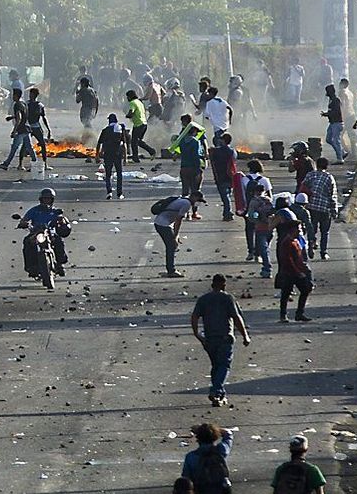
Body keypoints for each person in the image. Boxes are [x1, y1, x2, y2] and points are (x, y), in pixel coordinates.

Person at [191, 275, 251, 407]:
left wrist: (197, 334)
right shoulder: (227, 298)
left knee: (216, 366)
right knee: (224, 365)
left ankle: (219, 395)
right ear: (224, 285)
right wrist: (245, 336)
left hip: (209, 339)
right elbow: (236, 318)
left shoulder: (203, 299)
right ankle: (216, 390)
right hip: (224, 338)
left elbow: (194, 316)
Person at [276, 220, 314, 323]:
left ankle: (299, 313)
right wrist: (298, 272)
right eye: (298, 229)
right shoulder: (287, 242)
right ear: (292, 230)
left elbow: (299, 259)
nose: (300, 231)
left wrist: (304, 270)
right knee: (286, 294)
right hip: (289, 273)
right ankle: (283, 315)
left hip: (296, 272)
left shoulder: (296, 241)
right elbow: (288, 260)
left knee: (305, 290)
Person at [301, 157, 337, 260]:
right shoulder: (329, 178)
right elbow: (332, 195)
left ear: (316, 165)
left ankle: (311, 245)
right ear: (327, 166)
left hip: (311, 206)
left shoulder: (310, 175)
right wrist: (334, 211)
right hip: (324, 208)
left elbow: (302, 188)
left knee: (312, 229)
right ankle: (323, 252)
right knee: (325, 232)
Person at [180, 423, 234, 491]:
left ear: (198, 439)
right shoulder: (221, 450)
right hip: (220, 489)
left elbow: (186, 478)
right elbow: (228, 434)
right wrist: (214, 430)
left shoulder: (191, 457)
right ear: (215, 437)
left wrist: (200, 430)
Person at [0, 88, 36, 171]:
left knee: (14, 147)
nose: (12, 97)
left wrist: (14, 130)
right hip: (27, 128)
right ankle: (36, 163)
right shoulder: (24, 103)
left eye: (13, 95)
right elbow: (23, 115)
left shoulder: (17, 104)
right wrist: (12, 117)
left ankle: (6, 164)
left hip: (21, 130)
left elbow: (19, 118)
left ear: (16, 96)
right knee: (29, 147)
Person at [154, 196, 192, 277]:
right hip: (163, 224)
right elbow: (178, 220)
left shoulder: (182, 200)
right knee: (171, 246)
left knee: (172, 246)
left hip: (162, 223)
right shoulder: (187, 204)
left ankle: (170, 269)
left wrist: (176, 236)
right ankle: (171, 271)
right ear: (195, 197)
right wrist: (175, 236)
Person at [178, 122, 206, 220]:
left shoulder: (181, 141)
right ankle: (195, 212)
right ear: (193, 131)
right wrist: (199, 169)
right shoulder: (195, 142)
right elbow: (196, 157)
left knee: (185, 191)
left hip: (184, 167)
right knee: (196, 191)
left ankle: (185, 213)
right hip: (194, 169)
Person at [95, 113, 127, 200]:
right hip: (118, 154)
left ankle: (109, 192)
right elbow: (124, 144)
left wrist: (97, 155)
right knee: (119, 174)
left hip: (108, 154)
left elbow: (99, 143)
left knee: (108, 174)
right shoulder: (120, 129)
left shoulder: (105, 130)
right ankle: (119, 194)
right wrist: (125, 158)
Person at [247, 184, 275, 278]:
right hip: (270, 227)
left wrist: (256, 222)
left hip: (260, 228)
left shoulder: (254, 202)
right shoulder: (269, 200)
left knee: (264, 249)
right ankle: (265, 266)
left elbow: (251, 216)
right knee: (266, 248)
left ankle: (267, 269)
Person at [209, 133, 237, 221]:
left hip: (221, 176)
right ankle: (227, 212)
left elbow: (212, 158)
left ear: (224, 140)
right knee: (228, 194)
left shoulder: (217, 151)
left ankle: (228, 213)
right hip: (231, 176)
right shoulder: (233, 151)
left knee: (225, 196)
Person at [126, 90, 156, 162]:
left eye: (127, 97)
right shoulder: (139, 102)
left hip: (138, 125)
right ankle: (151, 151)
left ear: (130, 96)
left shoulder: (132, 102)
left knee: (134, 142)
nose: (127, 99)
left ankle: (135, 158)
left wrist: (128, 115)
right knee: (138, 141)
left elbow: (131, 112)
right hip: (144, 124)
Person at [24, 88, 52, 165]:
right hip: (28, 127)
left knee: (43, 144)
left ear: (35, 95)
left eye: (31, 94)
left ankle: (45, 164)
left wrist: (48, 129)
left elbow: (43, 117)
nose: (30, 96)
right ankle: (20, 164)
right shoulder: (26, 104)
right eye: (30, 94)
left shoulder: (40, 105)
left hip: (36, 127)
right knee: (24, 145)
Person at [321, 84, 347, 163]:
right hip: (332, 123)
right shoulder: (332, 100)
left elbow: (335, 112)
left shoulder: (336, 100)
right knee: (328, 139)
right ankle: (342, 152)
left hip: (337, 123)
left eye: (327, 91)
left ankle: (340, 158)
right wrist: (326, 114)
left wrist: (327, 114)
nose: (326, 93)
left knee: (336, 140)